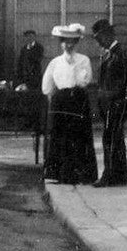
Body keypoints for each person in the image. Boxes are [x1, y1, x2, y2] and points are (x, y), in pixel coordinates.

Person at [41, 23, 98, 185]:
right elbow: (47, 86)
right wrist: (54, 97)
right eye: (65, 41)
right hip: (60, 101)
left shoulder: (83, 60)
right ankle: (56, 173)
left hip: (77, 99)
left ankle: (80, 174)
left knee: (78, 136)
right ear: (61, 43)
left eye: (72, 41)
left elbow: (84, 81)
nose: (69, 45)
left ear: (77, 43)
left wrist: (74, 66)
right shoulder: (55, 62)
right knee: (59, 136)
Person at [91, 19, 127, 187]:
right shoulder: (109, 53)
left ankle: (109, 176)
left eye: (99, 37)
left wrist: (113, 99)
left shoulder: (120, 53)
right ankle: (119, 176)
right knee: (113, 138)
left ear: (107, 35)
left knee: (111, 139)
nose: (98, 41)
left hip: (117, 104)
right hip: (109, 104)